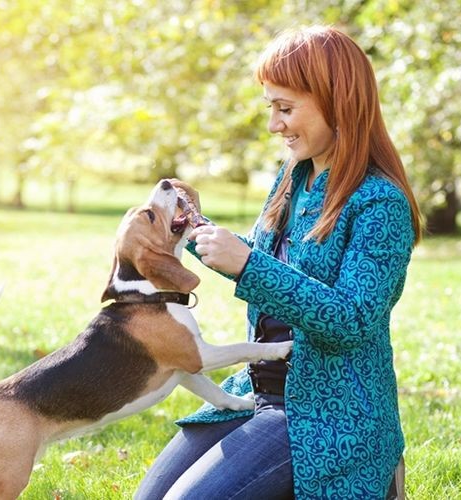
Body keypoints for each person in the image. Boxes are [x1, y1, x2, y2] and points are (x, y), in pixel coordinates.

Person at [134, 25, 422, 500]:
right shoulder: (295, 177)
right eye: (271, 108)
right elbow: (269, 260)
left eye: (285, 109)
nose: (274, 125)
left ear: (338, 102)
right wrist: (198, 228)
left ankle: (381, 480)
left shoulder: (379, 203)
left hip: (327, 416)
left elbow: (352, 319)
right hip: (256, 390)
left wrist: (248, 265)